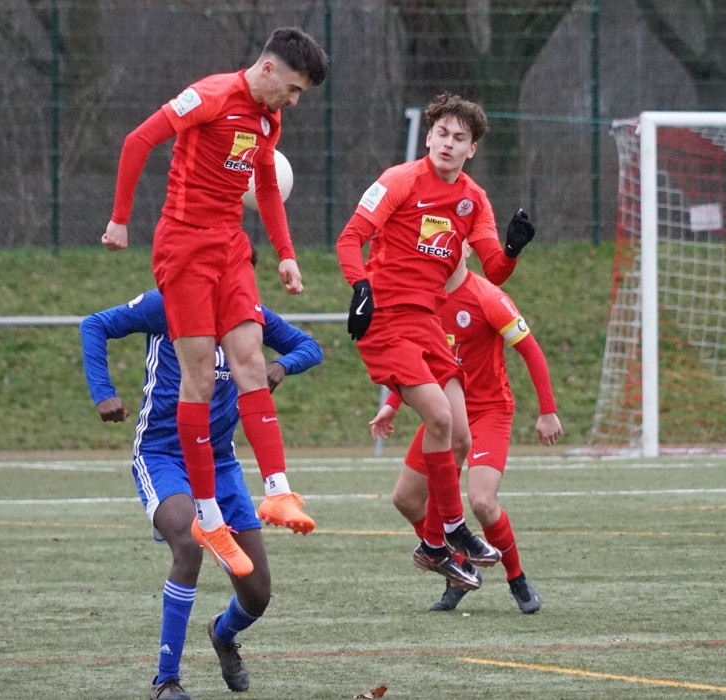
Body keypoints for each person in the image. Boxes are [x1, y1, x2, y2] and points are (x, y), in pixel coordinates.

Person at [99, 27, 329, 578]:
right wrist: (120, 219)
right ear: (268, 69)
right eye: (292, 89)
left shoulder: (269, 120)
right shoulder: (210, 96)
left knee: (249, 360)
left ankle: (278, 490)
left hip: (231, 246)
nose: (293, 101)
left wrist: (286, 254)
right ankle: (206, 517)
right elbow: (137, 141)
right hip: (183, 247)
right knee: (200, 378)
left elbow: (266, 187)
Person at [80, 285, 323, 700]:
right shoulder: (168, 301)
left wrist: (282, 364)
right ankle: (166, 680)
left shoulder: (246, 309)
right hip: (163, 453)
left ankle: (222, 634)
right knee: (189, 542)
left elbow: (309, 346)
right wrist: (104, 392)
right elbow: (95, 324)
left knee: (257, 593)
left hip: (219, 462)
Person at [336, 93, 536, 591]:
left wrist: (512, 249)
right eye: (442, 133)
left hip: (427, 322)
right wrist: (360, 288)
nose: (448, 143)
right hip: (385, 319)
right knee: (441, 418)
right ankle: (450, 531)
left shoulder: (475, 199)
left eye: (459, 138)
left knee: (461, 436)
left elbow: (494, 269)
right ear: (428, 137)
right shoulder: (399, 180)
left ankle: (433, 543)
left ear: (472, 149)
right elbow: (349, 239)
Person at [370, 240, 562, 614]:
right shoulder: (424, 298)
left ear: (468, 249)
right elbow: (418, 359)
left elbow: (532, 351)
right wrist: (392, 405)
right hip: (444, 414)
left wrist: (548, 411)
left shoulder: (488, 298)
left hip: (488, 412)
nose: (440, 249)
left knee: (483, 503)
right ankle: (458, 568)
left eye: (451, 242)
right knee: (406, 498)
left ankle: (517, 579)